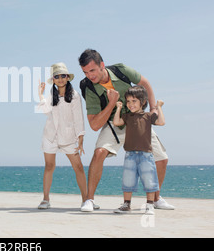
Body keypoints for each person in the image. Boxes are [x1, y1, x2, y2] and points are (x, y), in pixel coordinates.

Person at [78, 49, 174, 212]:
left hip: (138, 120)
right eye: (85, 72)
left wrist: (153, 108)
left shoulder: (121, 70)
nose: (90, 76)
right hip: (115, 123)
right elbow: (94, 125)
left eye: (92, 70)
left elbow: (145, 84)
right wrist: (111, 103)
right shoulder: (88, 87)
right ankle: (89, 200)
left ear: (102, 65)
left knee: (162, 159)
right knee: (99, 152)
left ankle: (156, 199)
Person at [37, 62, 87, 209]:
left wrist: (81, 138)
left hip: (69, 138)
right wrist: (40, 94)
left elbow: (78, 118)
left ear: (67, 78)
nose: (60, 79)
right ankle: (45, 199)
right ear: (53, 79)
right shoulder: (51, 95)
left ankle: (86, 200)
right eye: (57, 76)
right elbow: (45, 111)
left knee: (78, 167)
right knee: (49, 166)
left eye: (63, 76)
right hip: (50, 136)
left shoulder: (75, 96)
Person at [113, 86, 165, 214]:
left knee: (149, 179)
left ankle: (149, 205)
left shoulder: (148, 116)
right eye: (128, 101)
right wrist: (119, 108)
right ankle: (126, 204)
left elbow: (161, 122)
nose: (131, 104)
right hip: (130, 154)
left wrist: (159, 107)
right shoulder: (127, 116)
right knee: (128, 180)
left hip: (146, 154)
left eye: (134, 101)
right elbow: (116, 122)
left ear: (143, 102)